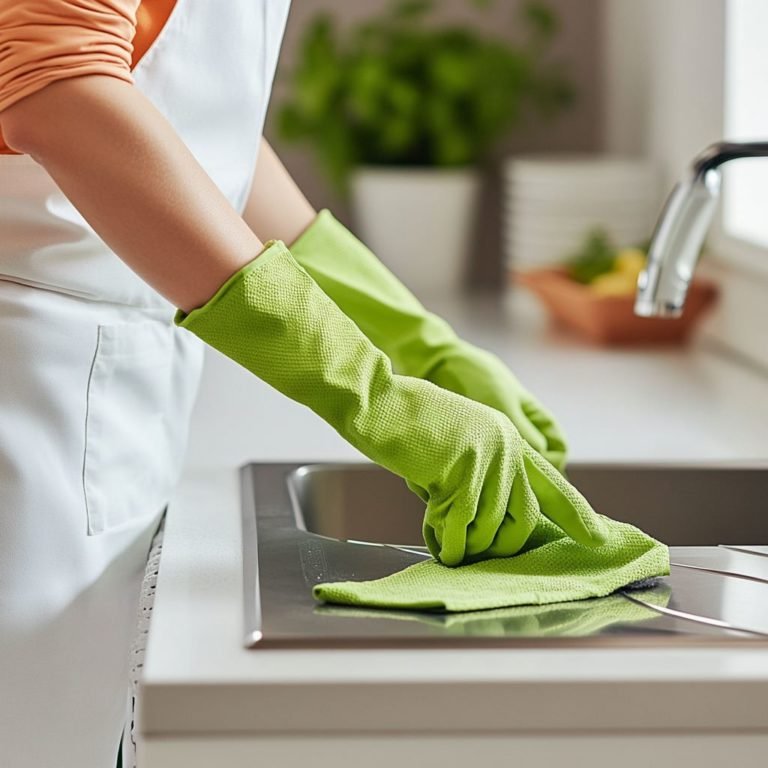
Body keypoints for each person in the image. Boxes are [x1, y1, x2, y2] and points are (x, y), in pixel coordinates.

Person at [0, 2, 604, 766]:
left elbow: (185, 128)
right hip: (25, 391)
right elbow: (58, 88)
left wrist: (416, 342)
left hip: (105, 382)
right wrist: (374, 393)